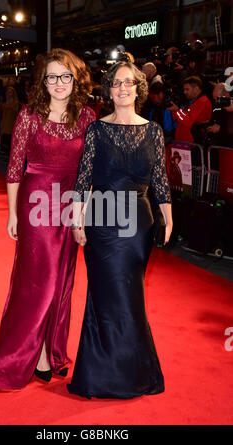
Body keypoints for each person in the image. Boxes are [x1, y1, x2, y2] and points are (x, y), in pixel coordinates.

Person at [0, 48, 95, 390]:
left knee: (62, 281)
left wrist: (83, 209)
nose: (58, 83)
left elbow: (89, 169)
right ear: (42, 81)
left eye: (65, 76)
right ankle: (28, 356)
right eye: (52, 76)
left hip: (71, 203)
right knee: (40, 282)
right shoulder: (29, 116)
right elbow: (14, 168)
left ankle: (51, 346)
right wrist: (12, 213)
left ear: (75, 80)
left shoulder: (87, 116)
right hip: (37, 204)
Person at [67, 60, 172, 399]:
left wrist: (167, 217)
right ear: (109, 90)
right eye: (116, 83)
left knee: (131, 296)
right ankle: (104, 375)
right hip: (102, 221)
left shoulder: (153, 131)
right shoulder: (96, 130)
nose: (123, 88)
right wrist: (77, 219)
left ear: (139, 89)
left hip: (139, 225)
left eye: (129, 83)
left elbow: (160, 181)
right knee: (104, 296)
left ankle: (130, 371)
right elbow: (83, 180)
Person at [167, 76, 212, 143]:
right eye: (184, 89)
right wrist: (174, 111)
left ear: (196, 89)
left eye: (187, 89)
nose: (184, 92)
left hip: (192, 143)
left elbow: (188, 122)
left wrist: (177, 111)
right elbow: (178, 120)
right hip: (184, 141)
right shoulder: (192, 101)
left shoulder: (203, 101)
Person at [0, 86, 20, 156]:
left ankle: (10, 157)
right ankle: (7, 155)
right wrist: (1, 102)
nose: (9, 93)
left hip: (11, 124)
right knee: (6, 141)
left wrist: (10, 105)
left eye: (11, 92)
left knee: (11, 142)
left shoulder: (15, 102)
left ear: (13, 93)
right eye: (8, 92)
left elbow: (16, 111)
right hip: (5, 124)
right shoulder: (5, 102)